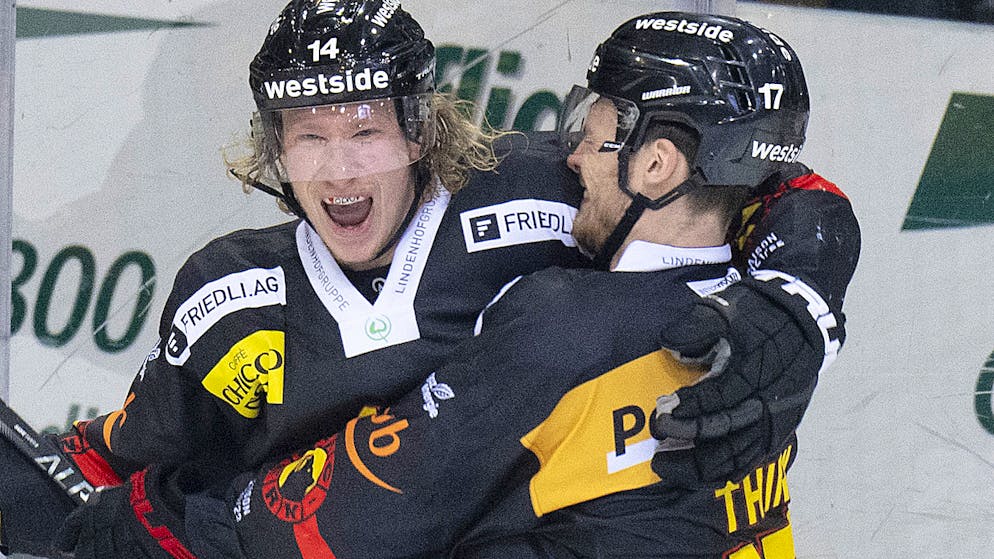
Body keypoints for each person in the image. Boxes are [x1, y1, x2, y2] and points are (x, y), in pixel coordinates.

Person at [51, 11, 859, 559]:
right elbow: (746, 168)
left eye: (366, 130)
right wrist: (803, 296)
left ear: (418, 129)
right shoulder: (228, 291)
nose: (340, 170)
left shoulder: (548, 216)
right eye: (309, 137)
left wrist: (164, 525)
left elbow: (372, 512)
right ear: (275, 146)